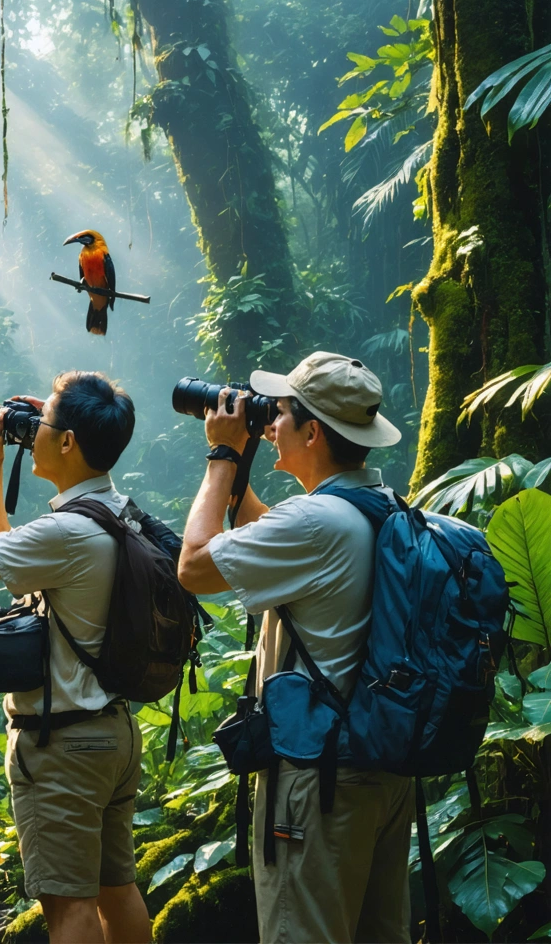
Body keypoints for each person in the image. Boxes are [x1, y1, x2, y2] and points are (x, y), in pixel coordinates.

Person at [176, 351, 410, 944]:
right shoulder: (379, 506)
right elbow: (267, 534)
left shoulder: (316, 523)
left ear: (312, 432)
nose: (269, 424)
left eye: (277, 414)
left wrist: (222, 457)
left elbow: (195, 567)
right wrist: (242, 468)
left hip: (320, 781)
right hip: (382, 770)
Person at [0, 371, 151, 944]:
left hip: (64, 744)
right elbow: (9, 552)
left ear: (67, 442)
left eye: (42, 425)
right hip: (113, 733)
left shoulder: (67, 532)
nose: (32, 432)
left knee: (69, 908)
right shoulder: (118, 512)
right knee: (118, 893)